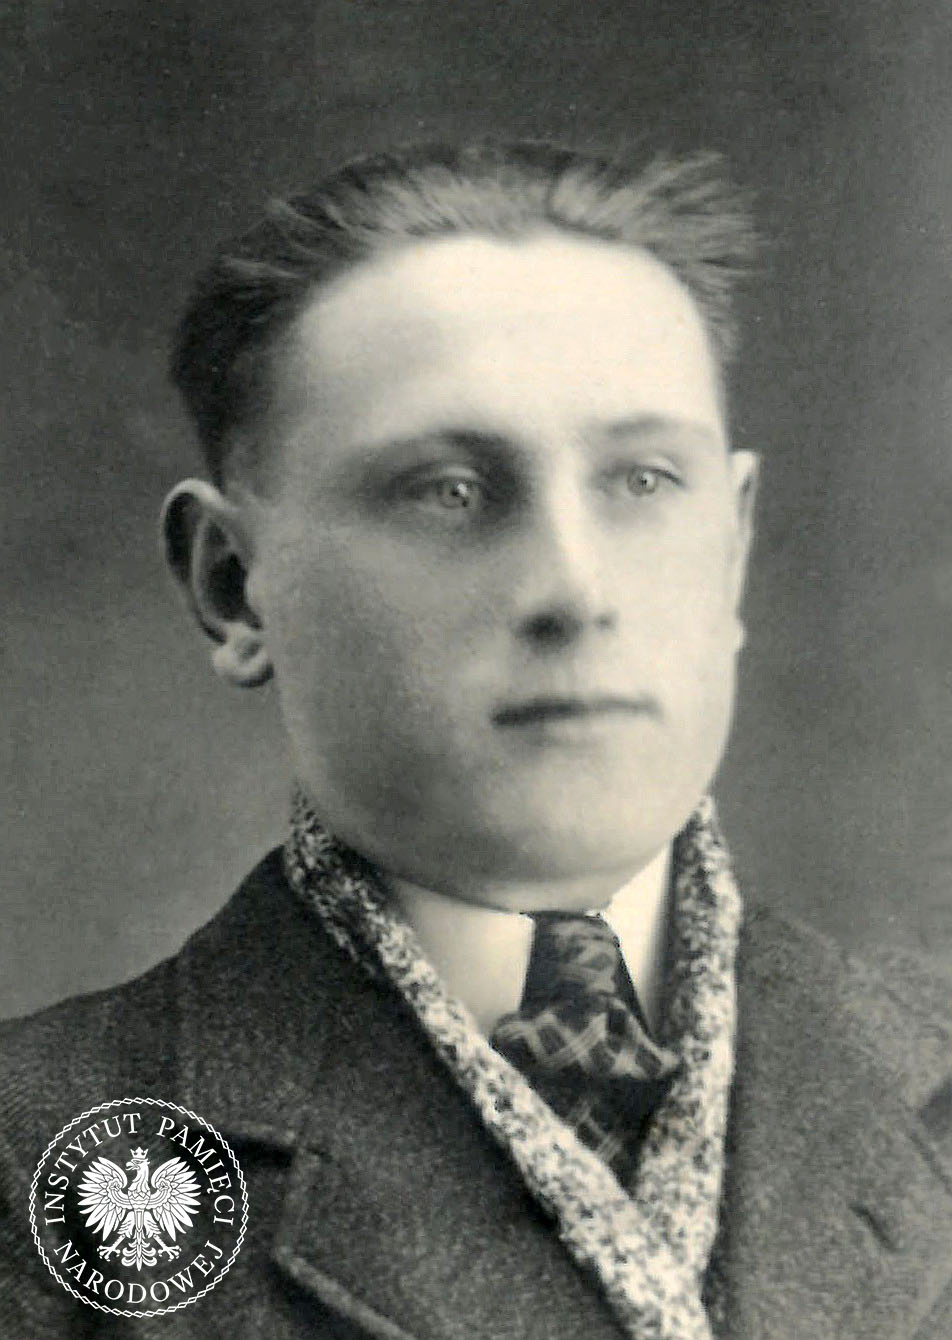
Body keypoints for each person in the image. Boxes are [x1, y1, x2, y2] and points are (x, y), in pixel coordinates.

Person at [1, 141, 950, 1340]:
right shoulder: (37, 1155)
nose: (574, 587)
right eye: (448, 490)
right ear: (235, 585)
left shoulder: (921, 1064)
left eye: (643, 481)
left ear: (733, 542)